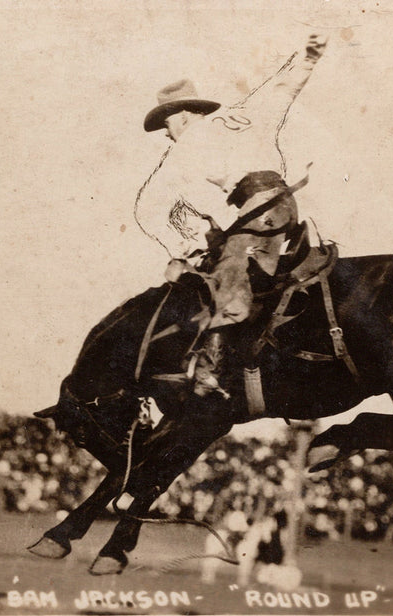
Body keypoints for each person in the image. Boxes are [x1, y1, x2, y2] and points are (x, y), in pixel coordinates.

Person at [134, 35, 328, 397]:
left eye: (168, 124)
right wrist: (315, 44)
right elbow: (288, 82)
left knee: (222, 276)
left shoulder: (185, 147)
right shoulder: (246, 112)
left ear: (183, 117)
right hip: (284, 203)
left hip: (255, 210)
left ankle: (211, 366)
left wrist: (185, 247)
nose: (167, 133)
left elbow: (147, 207)